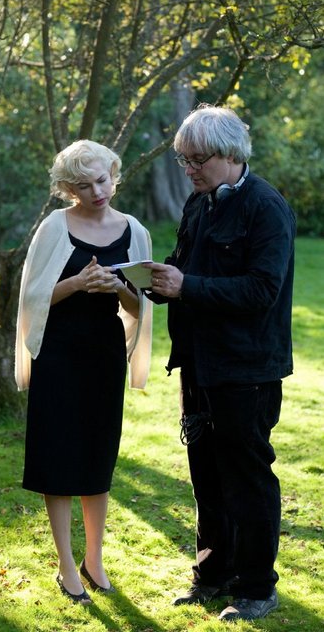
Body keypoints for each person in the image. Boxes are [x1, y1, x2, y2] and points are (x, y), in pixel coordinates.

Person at [146, 104, 295, 621]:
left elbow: (261, 290)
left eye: (196, 160)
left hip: (247, 370)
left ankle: (256, 587)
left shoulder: (266, 207)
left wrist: (187, 286)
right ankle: (212, 576)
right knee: (206, 476)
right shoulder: (199, 203)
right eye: (183, 160)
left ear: (230, 153)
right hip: (199, 365)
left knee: (247, 480)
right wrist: (156, 280)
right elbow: (186, 270)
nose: (188, 170)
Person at [15, 140, 152, 604]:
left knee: (97, 456)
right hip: (57, 355)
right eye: (84, 185)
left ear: (113, 174)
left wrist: (117, 288)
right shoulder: (54, 227)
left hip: (103, 357)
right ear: (69, 189)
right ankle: (66, 565)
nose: (97, 191)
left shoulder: (135, 231)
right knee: (58, 458)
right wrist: (76, 283)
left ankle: (95, 559)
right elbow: (31, 300)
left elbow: (142, 307)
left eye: (102, 180)